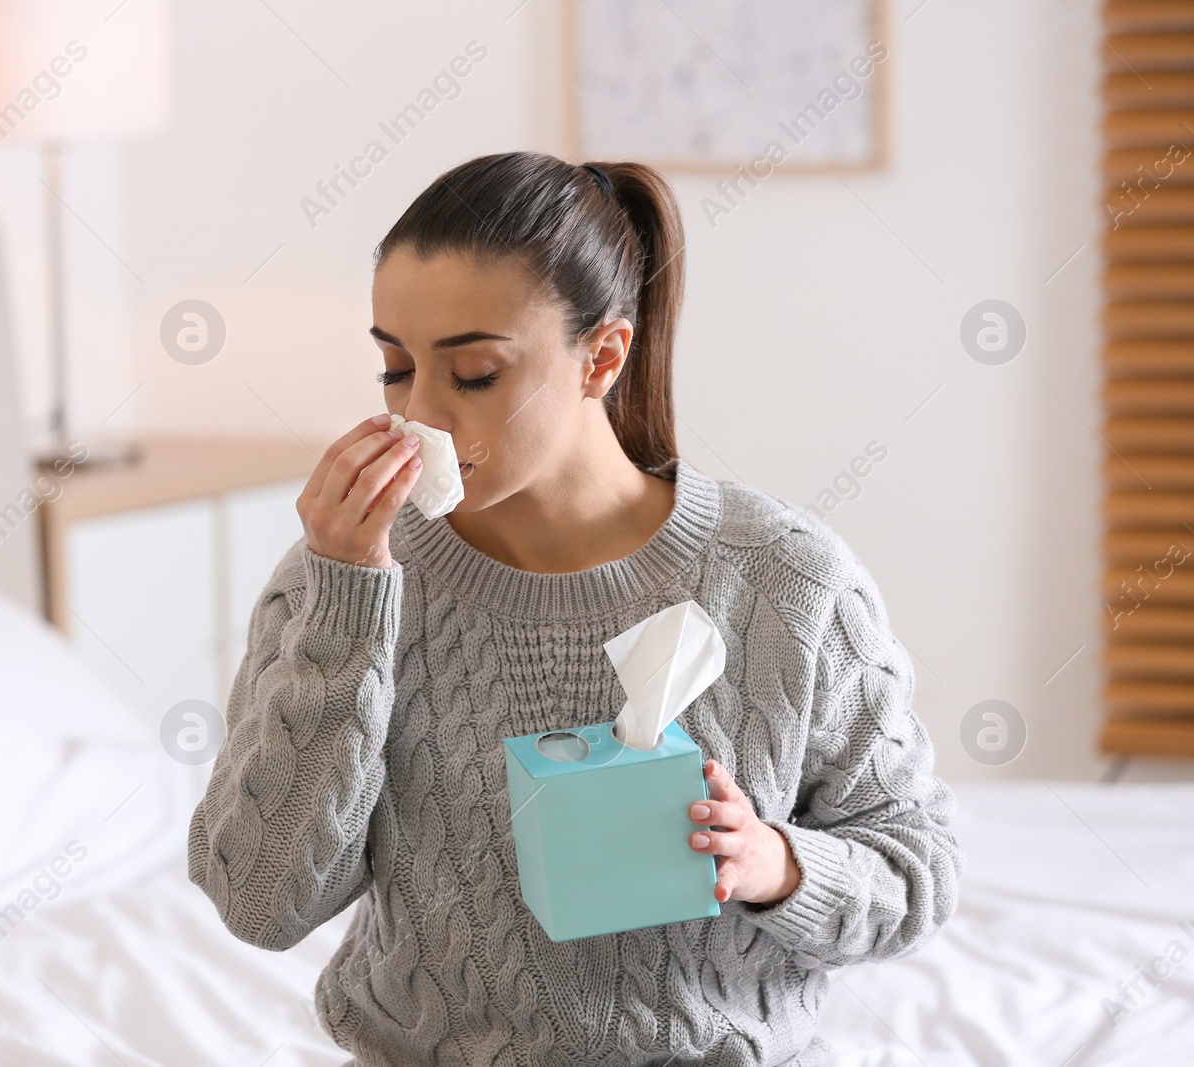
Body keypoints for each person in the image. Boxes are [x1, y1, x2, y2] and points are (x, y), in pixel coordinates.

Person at [187, 150, 962, 1066]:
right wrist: (348, 597)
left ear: (602, 356)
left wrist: (774, 866)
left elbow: (917, 870)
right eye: (395, 369)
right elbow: (261, 901)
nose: (421, 414)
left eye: (473, 374)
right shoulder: (345, 578)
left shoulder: (788, 580)